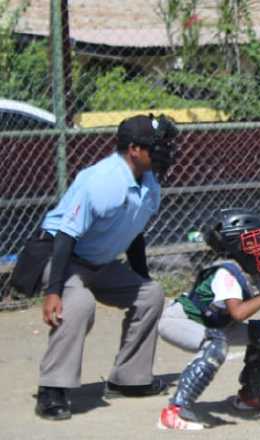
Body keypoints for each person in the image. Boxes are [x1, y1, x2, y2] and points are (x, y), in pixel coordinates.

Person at [30, 114, 179, 420]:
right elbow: (65, 235)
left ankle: (130, 380)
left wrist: (141, 278)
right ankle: (52, 390)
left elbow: (135, 234)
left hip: (98, 263)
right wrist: (54, 291)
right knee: (79, 303)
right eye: (155, 146)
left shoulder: (149, 182)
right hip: (58, 257)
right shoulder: (101, 180)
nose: (163, 151)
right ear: (134, 149)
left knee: (150, 294)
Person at [156, 208, 260, 430]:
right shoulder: (227, 273)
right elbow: (238, 313)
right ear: (236, 246)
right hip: (180, 321)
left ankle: (250, 396)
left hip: (215, 325)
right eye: (253, 240)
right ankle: (175, 411)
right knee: (216, 344)